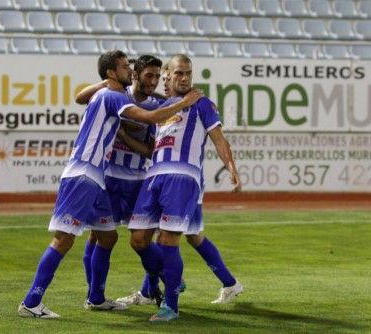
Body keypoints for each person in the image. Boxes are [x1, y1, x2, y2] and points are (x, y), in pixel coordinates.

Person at [17, 50, 201, 319]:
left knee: (108, 235)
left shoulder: (105, 94)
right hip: (83, 173)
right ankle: (32, 302)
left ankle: (97, 298)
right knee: (63, 239)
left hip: (97, 177)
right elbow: (151, 118)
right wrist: (186, 102)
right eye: (126, 67)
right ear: (112, 73)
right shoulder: (113, 96)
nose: (130, 70)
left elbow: (83, 97)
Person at [125, 54, 242, 322]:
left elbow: (219, 140)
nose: (184, 78)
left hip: (182, 176)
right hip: (154, 176)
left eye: (188, 73)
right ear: (168, 74)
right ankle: (170, 279)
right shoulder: (163, 108)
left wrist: (232, 168)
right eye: (179, 73)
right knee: (138, 239)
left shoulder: (201, 103)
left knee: (169, 240)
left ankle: (171, 305)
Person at [74, 55, 165, 305]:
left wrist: (123, 135)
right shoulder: (115, 94)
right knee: (98, 237)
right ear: (134, 74)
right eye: (149, 75)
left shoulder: (157, 106)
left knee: (143, 240)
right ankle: (94, 294)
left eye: (157, 76)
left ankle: (153, 289)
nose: (154, 81)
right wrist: (104, 83)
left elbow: (149, 151)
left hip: (138, 181)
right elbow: (80, 97)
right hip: (109, 179)